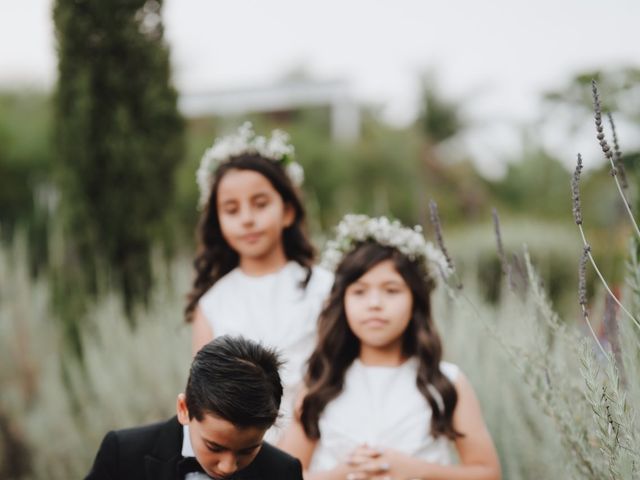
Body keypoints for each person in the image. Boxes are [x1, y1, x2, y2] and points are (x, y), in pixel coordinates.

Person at [279, 215, 501, 480]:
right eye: (359, 291)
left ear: (415, 300)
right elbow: (283, 475)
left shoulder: (446, 383)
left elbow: (487, 472)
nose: (374, 303)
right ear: (343, 302)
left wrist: (415, 470)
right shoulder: (321, 383)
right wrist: (341, 473)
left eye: (391, 290)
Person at [185, 122, 333, 440]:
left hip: (321, 433)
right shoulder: (212, 305)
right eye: (232, 209)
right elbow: (203, 393)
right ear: (218, 220)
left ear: (288, 211)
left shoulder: (325, 289)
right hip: (244, 448)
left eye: (260, 204)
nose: (247, 218)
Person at [86, 335, 303, 480]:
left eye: (247, 450)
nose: (228, 467)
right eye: (214, 447)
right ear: (184, 408)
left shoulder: (282, 472)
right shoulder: (123, 453)